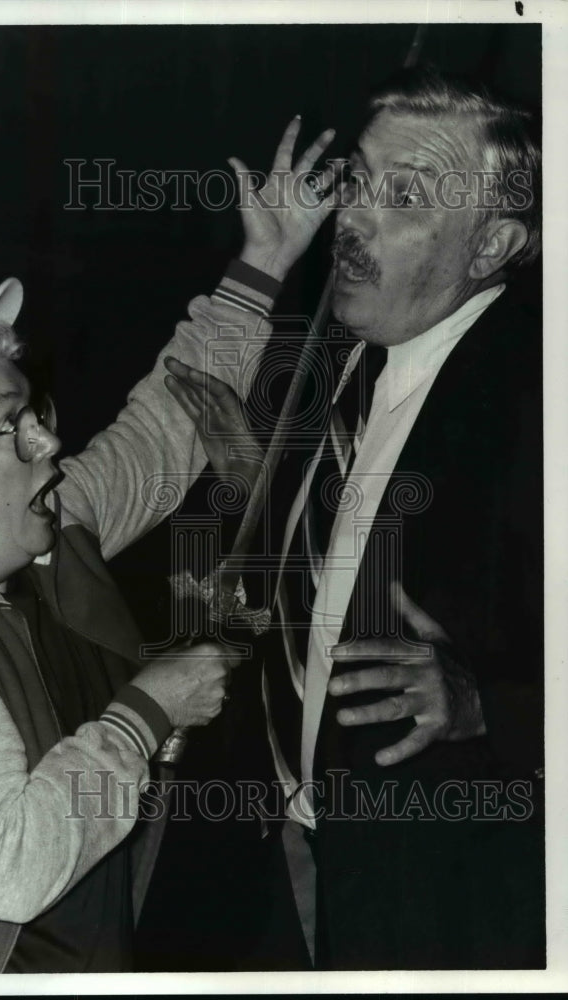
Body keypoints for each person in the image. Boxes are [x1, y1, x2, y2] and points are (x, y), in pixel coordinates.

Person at [0, 124, 338, 974]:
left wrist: (263, 263)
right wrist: (144, 715)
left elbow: (165, 431)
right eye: (11, 431)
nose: (48, 445)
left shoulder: (45, 534)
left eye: (35, 415)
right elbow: (4, 865)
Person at [166, 67, 544, 969]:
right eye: (359, 183)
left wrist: (495, 705)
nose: (354, 220)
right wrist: (249, 488)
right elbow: (328, 541)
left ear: (491, 242)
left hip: (423, 904)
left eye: (405, 197)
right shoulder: (335, 345)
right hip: (254, 868)